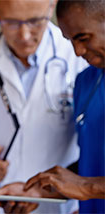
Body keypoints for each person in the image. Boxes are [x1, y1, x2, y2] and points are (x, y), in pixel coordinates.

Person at [0, 0, 88, 213]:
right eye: (11, 22)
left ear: (51, 6)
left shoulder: (79, 58)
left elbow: (93, 146)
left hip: (56, 207)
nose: (25, 35)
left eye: (35, 21)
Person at [23, 0, 105, 213]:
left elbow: (88, 185)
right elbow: (94, 159)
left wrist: (88, 188)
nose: (77, 51)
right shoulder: (85, 83)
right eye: (70, 41)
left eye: (83, 38)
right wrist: (42, 189)